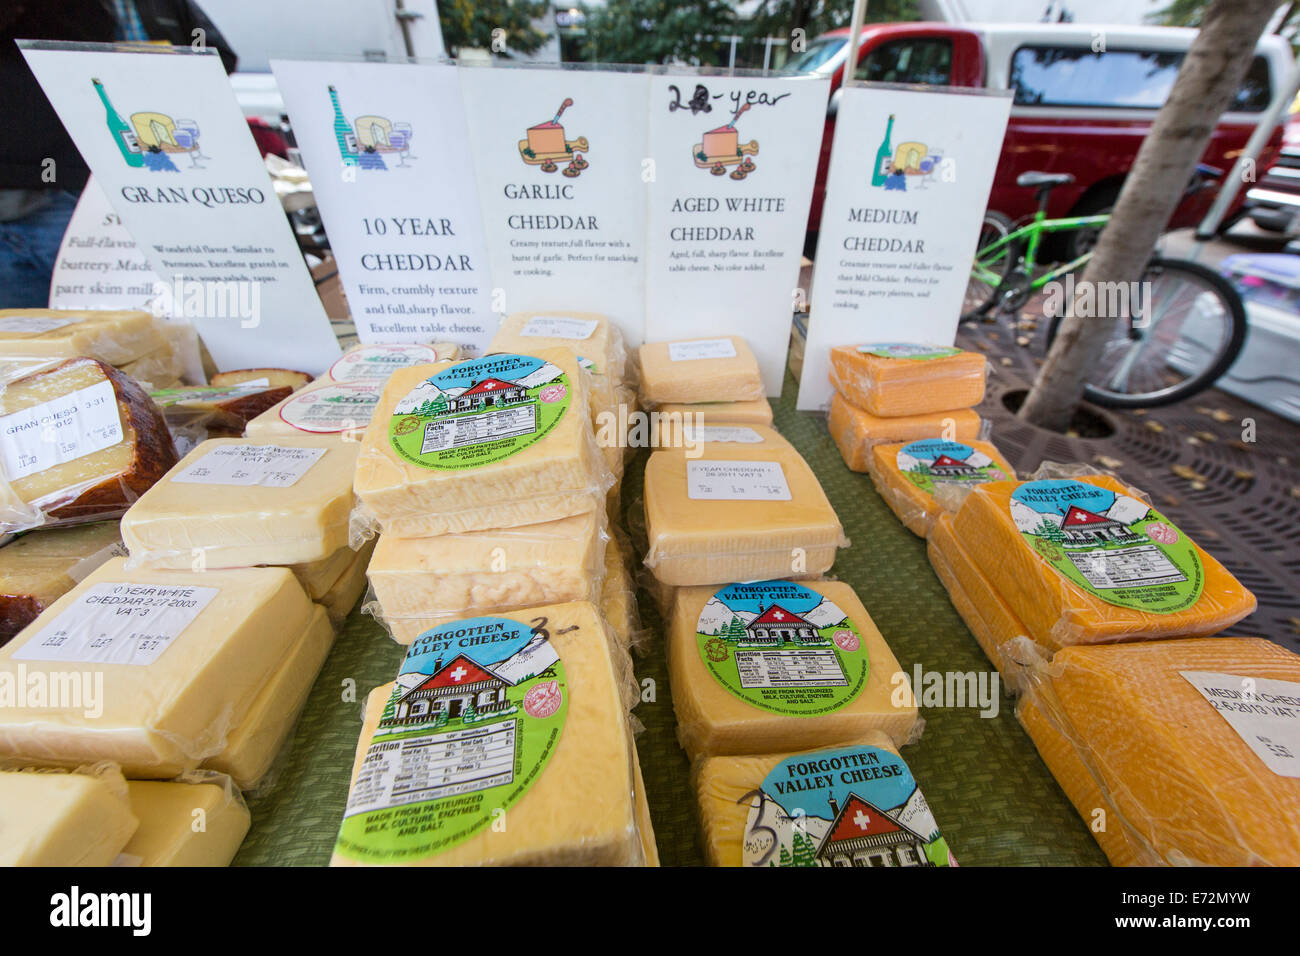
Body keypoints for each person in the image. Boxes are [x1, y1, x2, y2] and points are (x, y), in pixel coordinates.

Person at [0, 1, 236, 308]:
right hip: (47, 187)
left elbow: (214, 56)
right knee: (31, 346)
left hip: (113, 189)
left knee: (128, 337)